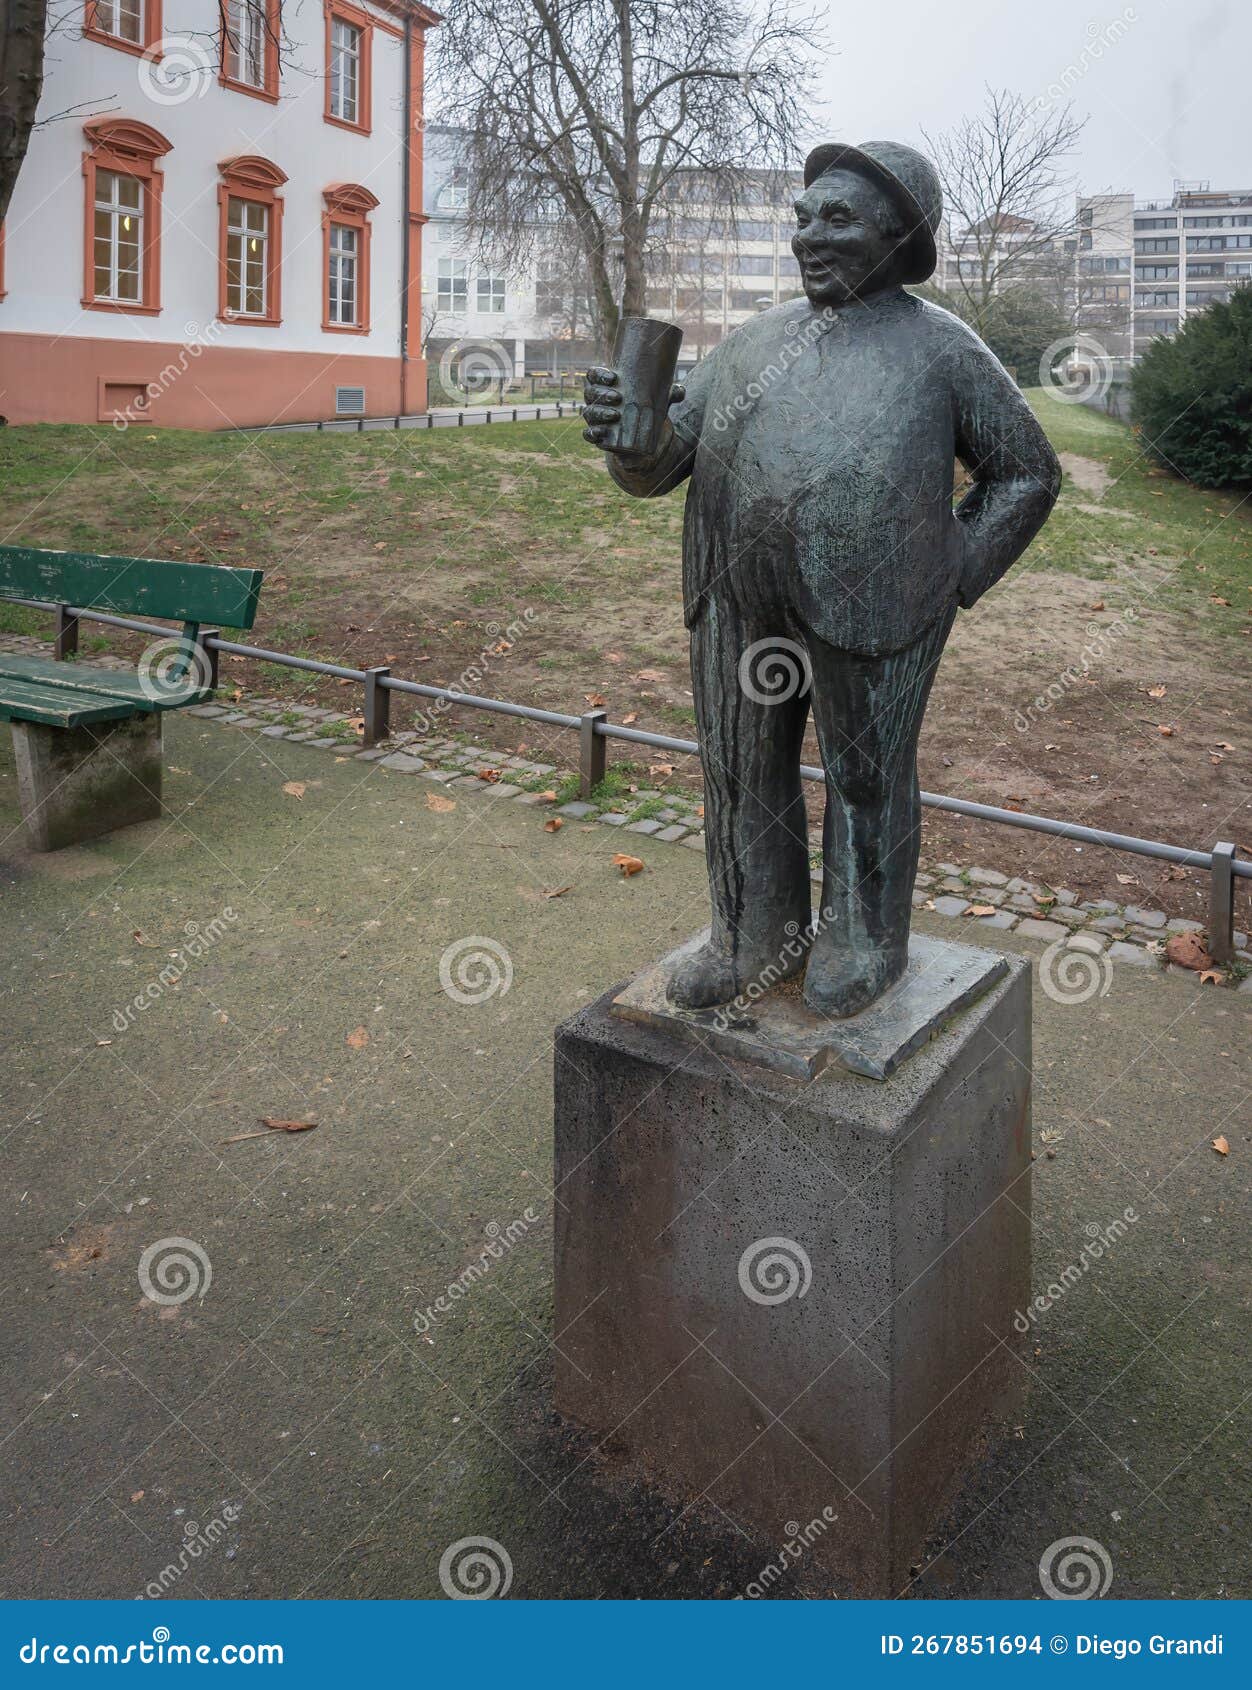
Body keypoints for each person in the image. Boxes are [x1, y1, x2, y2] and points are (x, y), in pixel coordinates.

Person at [584, 141, 1061, 1018]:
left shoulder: (942, 347)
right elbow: (660, 466)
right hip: (737, 594)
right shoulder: (753, 342)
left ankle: (863, 937)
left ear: (897, 231)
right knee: (737, 768)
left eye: (836, 218)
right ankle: (749, 936)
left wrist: (958, 563)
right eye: (803, 219)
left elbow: (1029, 472)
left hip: (882, 602)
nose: (810, 236)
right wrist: (631, 441)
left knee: (866, 777)